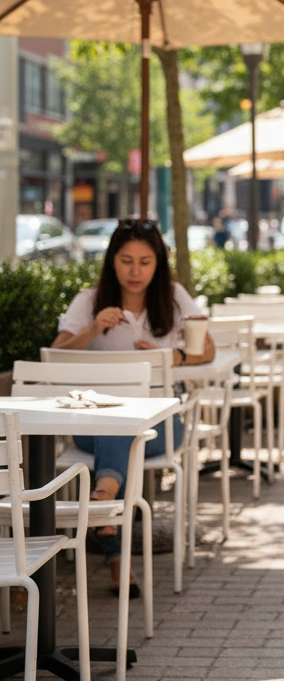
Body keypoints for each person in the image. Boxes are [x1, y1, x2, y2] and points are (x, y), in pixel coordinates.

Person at [53, 219, 215, 594]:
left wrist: (170, 355)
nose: (135, 271)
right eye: (126, 261)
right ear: (112, 261)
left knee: (124, 427)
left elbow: (207, 348)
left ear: (158, 262)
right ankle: (107, 506)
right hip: (93, 425)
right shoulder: (89, 300)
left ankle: (105, 510)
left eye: (145, 261)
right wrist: (93, 330)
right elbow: (54, 355)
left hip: (161, 425)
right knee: (117, 423)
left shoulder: (173, 298)